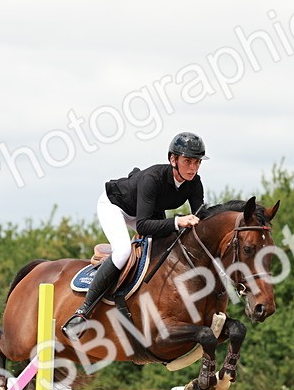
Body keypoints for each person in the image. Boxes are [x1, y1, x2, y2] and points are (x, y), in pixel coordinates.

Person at [61, 131, 208, 340]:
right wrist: (177, 221)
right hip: (116, 206)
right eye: (188, 161)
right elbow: (143, 225)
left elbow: (201, 218)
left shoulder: (194, 183)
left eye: (197, 162)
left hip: (147, 211)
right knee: (123, 252)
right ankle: (83, 312)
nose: (193, 168)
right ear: (173, 160)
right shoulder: (153, 179)